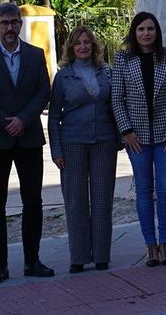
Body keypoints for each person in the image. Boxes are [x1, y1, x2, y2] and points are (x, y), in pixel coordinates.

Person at [0, 2, 54, 285]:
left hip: (29, 137)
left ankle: (32, 260)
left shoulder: (35, 54)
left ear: (20, 23)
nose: (9, 28)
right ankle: (0, 266)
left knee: (33, 201)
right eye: (4, 23)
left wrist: (23, 119)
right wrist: (5, 121)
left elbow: (44, 90)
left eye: (14, 22)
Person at [111, 12, 166, 268]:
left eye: (150, 28)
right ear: (134, 32)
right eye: (141, 29)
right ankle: (150, 244)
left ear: (157, 31)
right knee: (143, 191)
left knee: (165, 190)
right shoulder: (122, 59)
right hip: (137, 139)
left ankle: (165, 241)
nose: (146, 33)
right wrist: (126, 131)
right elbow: (116, 99)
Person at [49, 26, 118, 274]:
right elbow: (54, 115)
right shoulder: (63, 77)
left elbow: (116, 105)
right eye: (78, 43)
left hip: (103, 142)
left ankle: (101, 255)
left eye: (87, 42)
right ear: (71, 47)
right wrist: (56, 150)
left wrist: (120, 139)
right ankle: (78, 256)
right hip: (72, 144)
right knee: (76, 200)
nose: (83, 46)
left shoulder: (106, 73)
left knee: (102, 199)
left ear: (94, 46)